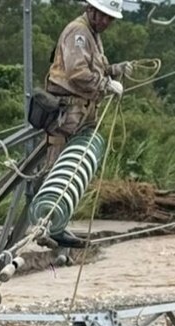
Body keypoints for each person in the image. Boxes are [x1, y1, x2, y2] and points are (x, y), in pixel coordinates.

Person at [41, 0, 131, 249]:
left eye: (109, 18)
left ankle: (58, 226)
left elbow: (95, 66)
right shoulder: (78, 32)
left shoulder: (93, 34)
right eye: (102, 16)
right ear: (91, 10)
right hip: (67, 114)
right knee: (59, 170)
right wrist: (105, 85)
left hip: (82, 113)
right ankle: (49, 226)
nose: (105, 21)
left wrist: (114, 71)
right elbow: (78, 73)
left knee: (75, 169)